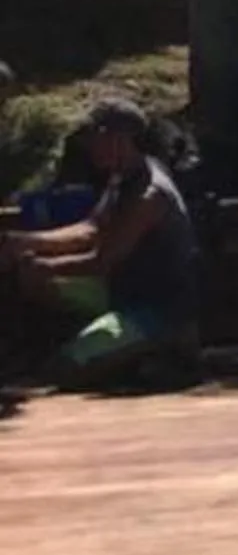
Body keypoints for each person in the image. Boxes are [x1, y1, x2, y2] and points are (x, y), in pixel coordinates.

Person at [2, 96, 204, 384]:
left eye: (94, 136)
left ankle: (164, 348)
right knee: (36, 285)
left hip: (156, 310)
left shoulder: (150, 195)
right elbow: (90, 228)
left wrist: (44, 266)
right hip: (120, 290)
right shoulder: (121, 177)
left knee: (65, 370)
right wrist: (24, 241)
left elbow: (101, 261)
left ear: (118, 138)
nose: (89, 146)